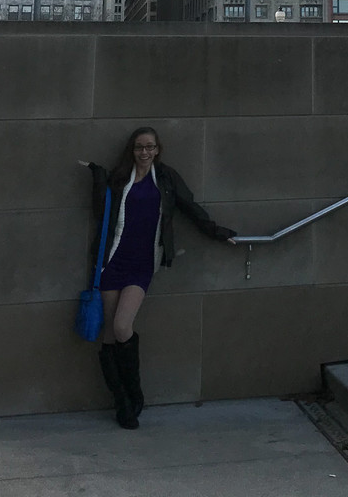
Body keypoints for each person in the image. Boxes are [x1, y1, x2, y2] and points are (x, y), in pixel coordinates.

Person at [80, 126, 237, 429]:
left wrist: (217, 232)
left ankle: (135, 393)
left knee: (123, 326)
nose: (145, 152)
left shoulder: (165, 178)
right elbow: (101, 211)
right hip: (113, 262)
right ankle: (123, 403)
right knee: (109, 334)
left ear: (157, 149)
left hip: (142, 264)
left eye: (150, 147)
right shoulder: (120, 178)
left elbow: (190, 207)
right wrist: (99, 177)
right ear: (132, 150)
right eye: (140, 147)